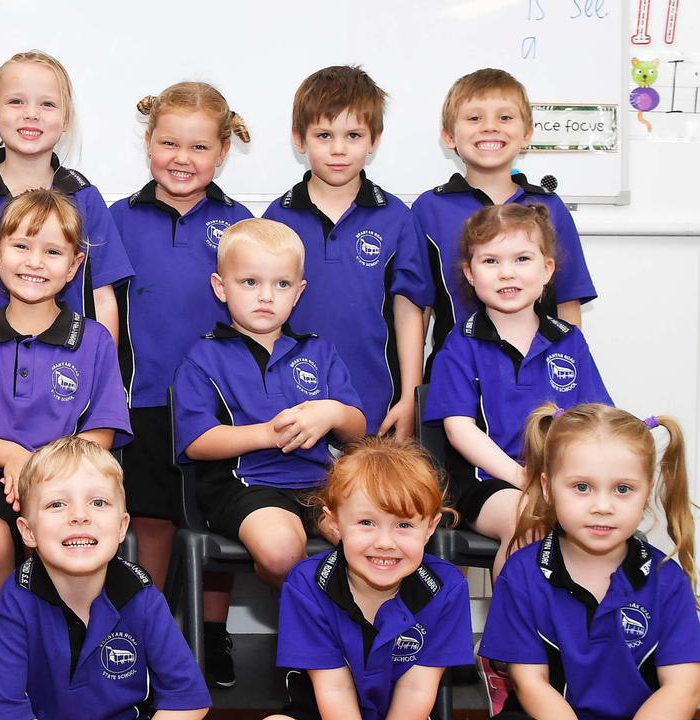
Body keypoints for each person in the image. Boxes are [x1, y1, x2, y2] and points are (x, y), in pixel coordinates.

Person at [0, 188, 131, 682]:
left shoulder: (95, 340)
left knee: (68, 534)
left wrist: (46, 470)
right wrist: (12, 455)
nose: (35, 262)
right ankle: (4, 657)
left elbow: (103, 429)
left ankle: (69, 655)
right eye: (21, 247)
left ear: (74, 265)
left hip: (68, 480)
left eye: (53, 251)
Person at [173, 218, 365, 684]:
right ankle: (315, 645)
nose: (265, 296)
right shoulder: (203, 357)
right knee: (282, 551)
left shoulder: (318, 352)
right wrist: (266, 434)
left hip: (319, 487)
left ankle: (359, 648)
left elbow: (358, 430)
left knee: (369, 541)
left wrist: (331, 414)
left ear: (298, 292)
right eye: (250, 282)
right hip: (246, 487)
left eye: (280, 284)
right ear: (221, 287)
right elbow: (197, 443)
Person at [110, 81, 253, 597]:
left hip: (221, 409)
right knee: (151, 520)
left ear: (223, 150)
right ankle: (151, 631)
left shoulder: (241, 224)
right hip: (141, 398)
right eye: (169, 143)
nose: (182, 159)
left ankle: (210, 636)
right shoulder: (114, 218)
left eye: (199, 147)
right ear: (148, 141)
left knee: (215, 518)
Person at [423, 204, 611, 577]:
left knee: (604, 525)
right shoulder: (460, 345)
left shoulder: (569, 341)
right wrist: (522, 479)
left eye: (522, 258)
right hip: (488, 485)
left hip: (561, 482)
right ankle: (513, 634)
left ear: (547, 270)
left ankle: (579, 630)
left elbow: (596, 424)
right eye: (490, 261)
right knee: (526, 520)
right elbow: (459, 429)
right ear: (470, 274)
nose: (507, 272)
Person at [480, 403, 700, 719]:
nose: (602, 506)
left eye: (623, 489)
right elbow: (531, 684)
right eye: (582, 487)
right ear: (548, 488)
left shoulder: (667, 579)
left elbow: (683, 688)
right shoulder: (522, 575)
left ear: (647, 492)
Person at [0, 50, 133, 354]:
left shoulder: (86, 199)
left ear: (66, 118)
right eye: (16, 101)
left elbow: (102, 297)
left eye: (47, 104)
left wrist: (104, 379)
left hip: (69, 378)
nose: (31, 113)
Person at [0, 437, 210, 720]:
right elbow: (2, 711)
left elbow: (187, 699)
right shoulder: (16, 600)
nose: (79, 516)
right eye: (57, 504)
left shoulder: (142, 596)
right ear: (28, 532)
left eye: (98, 502)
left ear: (122, 526)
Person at [263, 66, 429, 439]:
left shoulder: (397, 218)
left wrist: (409, 397)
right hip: (293, 406)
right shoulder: (278, 216)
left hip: (378, 405)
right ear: (299, 139)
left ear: (374, 140)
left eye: (353, 135)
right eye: (324, 135)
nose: (338, 149)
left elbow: (408, 311)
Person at [268, 436, 473, 720]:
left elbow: (416, 688)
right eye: (367, 523)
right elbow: (335, 689)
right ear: (335, 522)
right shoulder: (307, 585)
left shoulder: (447, 588)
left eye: (404, 525)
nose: (385, 542)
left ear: (430, 527)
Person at [413, 68, 596, 364]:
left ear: (526, 135)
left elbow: (567, 302)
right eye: (474, 118)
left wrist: (569, 373)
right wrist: (411, 389)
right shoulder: (429, 208)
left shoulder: (550, 207)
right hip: (454, 376)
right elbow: (417, 307)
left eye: (505, 117)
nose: (490, 127)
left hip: (536, 379)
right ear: (449, 136)